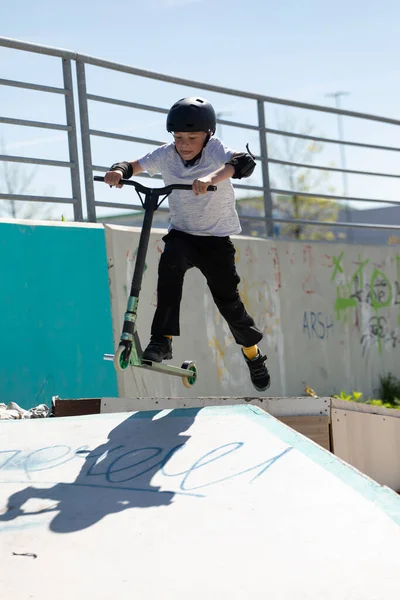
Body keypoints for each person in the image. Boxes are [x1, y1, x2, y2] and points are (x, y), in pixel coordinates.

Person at [104, 96, 270, 392]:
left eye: (191, 138)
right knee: (170, 264)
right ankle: (162, 340)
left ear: (207, 135)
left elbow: (243, 163)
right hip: (182, 234)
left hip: (216, 241)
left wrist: (212, 176)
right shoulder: (167, 155)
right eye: (179, 137)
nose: (184, 144)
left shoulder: (216, 150)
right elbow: (136, 165)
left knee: (229, 304)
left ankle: (252, 354)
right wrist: (119, 171)